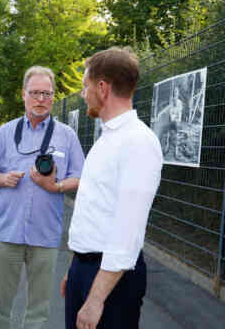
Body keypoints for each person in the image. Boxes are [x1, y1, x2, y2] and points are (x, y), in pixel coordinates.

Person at [61, 48, 163, 329]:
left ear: (102, 88)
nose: (84, 94)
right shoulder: (107, 138)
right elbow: (93, 211)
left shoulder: (138, 142)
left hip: (111, 282)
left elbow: (127, 232)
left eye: (86, 87)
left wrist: (95, 299)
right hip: (85, 269)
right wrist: (74, 270)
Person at [0, 67, 85, 329]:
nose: (41, 99)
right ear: (23, 95)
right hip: (9, 233)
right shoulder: (5, 132)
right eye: (35, 93)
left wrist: (56, 186)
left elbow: (81, 177)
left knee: (38, 309)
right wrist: (3, 179)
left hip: (45, 235)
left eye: (47, 94)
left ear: (53, 97)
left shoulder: (67, 135)